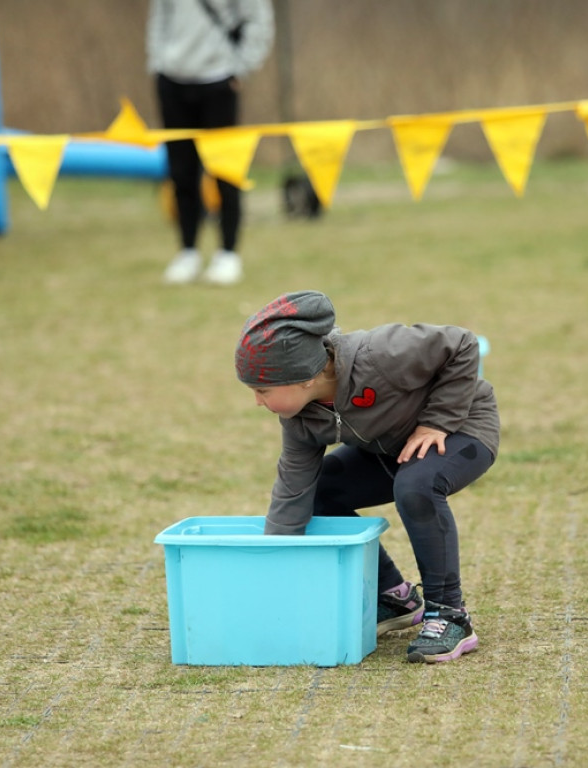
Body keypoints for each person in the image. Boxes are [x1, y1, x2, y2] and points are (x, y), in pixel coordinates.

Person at [235, 291, 500, 663]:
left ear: (305, 377)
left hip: (463, 427)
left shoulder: (378, 355)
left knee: (416, 485)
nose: (257, 401)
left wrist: (436, 421)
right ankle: (392, 596)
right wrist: (272, 569)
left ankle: (450, 615)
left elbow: (462, 343)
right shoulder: (300, 420)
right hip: (391, 446)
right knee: (320, 490)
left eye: (262, 390)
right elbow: (292, 493)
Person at [146, 0, 274, 285]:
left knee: (225, 171)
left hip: (219, 80)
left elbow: (259, 19)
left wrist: (241, 68)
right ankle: (187, 252)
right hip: (172, 79)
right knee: (181, 172)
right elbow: (159, 16)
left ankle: (228, 253)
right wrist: (158, 63)